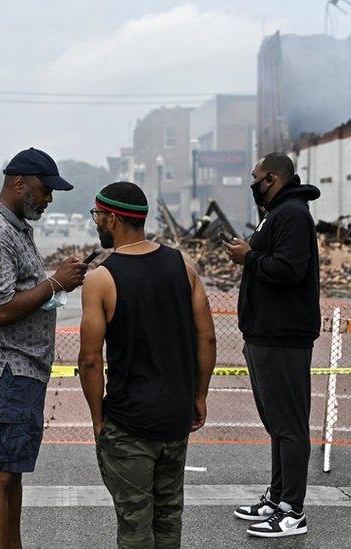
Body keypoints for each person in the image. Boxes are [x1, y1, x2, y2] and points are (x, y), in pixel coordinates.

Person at [78, 182, 216, 548]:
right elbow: (207, 338)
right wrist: (199, 395)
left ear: (112, 219)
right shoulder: (182, 266)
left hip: (129, 423)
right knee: (169, 516)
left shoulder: (101, 279)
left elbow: (91, 360)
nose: (96, 223)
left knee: (135, 524)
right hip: (175, 417)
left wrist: (97, 418)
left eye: (97, 216)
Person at [0, 148, 89, 549]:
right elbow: (1, 309)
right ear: (19, 183)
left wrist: (54, 284)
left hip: (19, 371)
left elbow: (20, 293)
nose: (49, 198)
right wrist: (56, 283)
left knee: (10, 471)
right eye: (44, 189)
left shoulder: (15, 229)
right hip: (5, 371)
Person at [224, 153, 321, 539]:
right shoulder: (276, 213)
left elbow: (289, 269)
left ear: (272, 178)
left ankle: (292, 511)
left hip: (284, 337)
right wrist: (250, 256)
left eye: (255, 177)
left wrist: (249, 257)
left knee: (290, 425)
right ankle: (277, 498)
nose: (252, 184)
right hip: (265, 335)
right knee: (277, 425)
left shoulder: (292, 215)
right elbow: (272, 262)